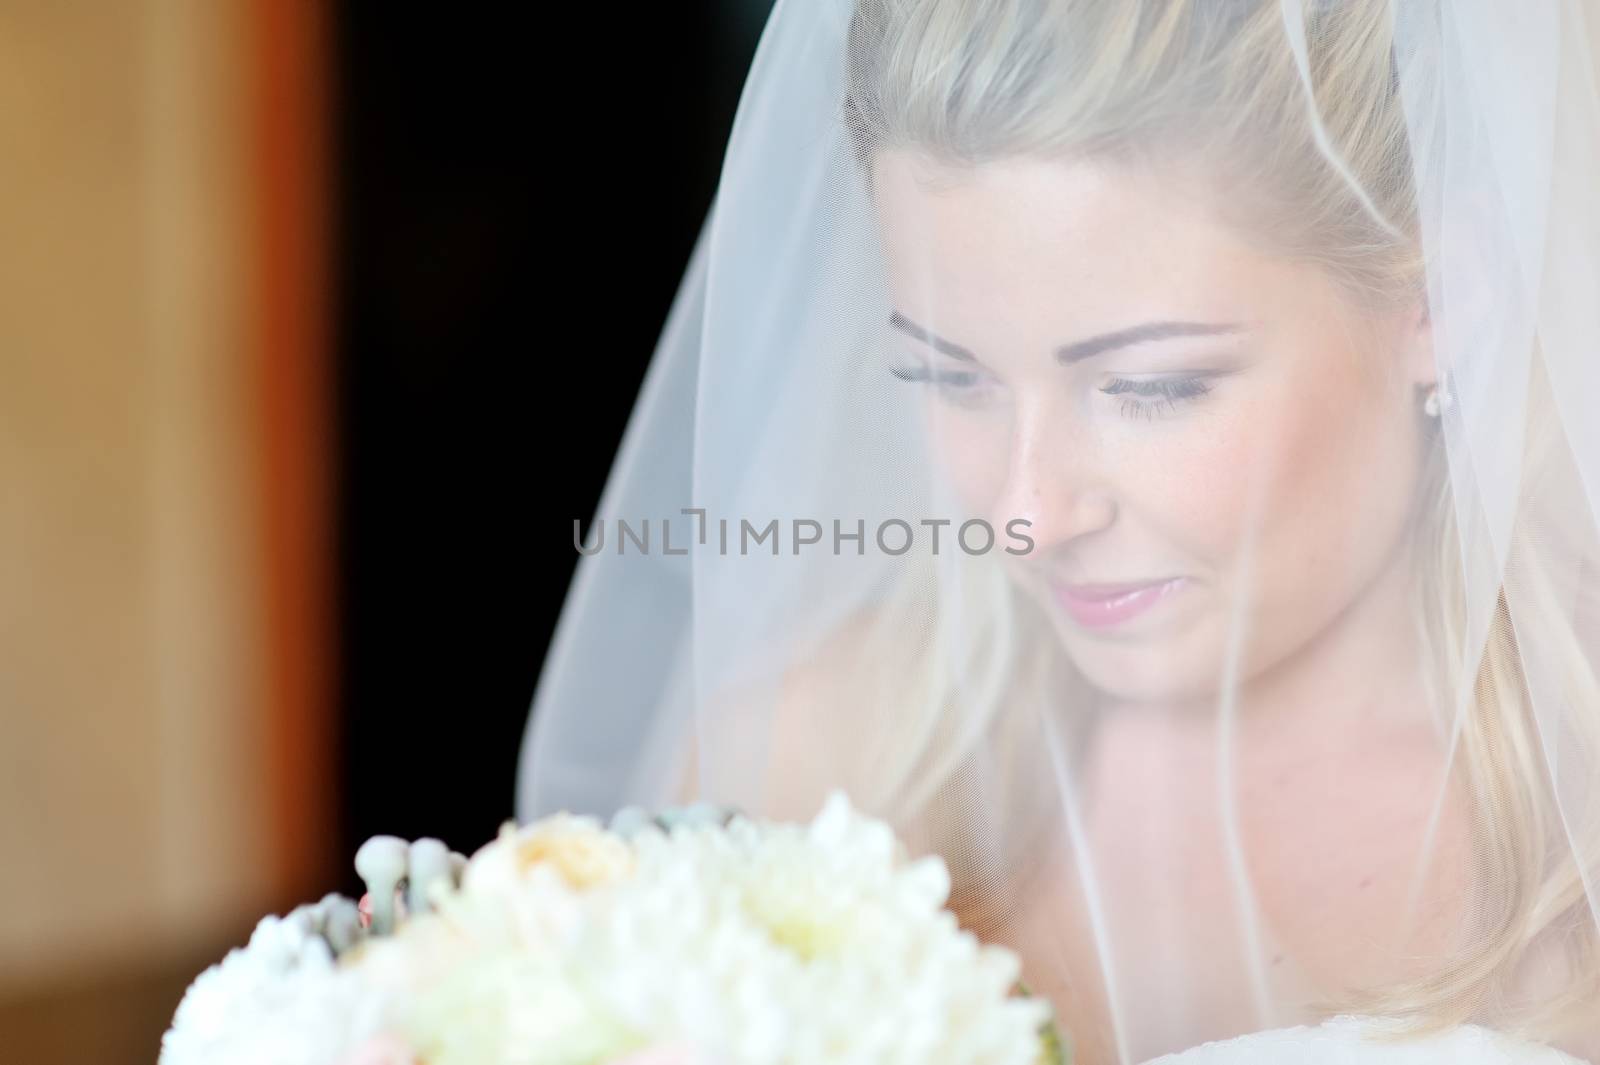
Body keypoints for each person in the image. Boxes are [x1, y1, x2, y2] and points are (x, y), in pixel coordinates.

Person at [520, 2, 1600, 1061]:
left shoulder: (1576, 829)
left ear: (1444, 302)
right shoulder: (802, 768)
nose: (1027, 515)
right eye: (951, 376)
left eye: (1149, 387)